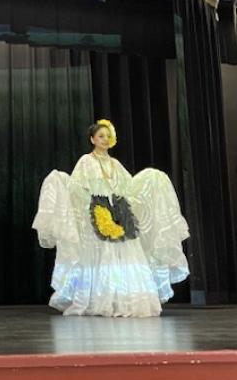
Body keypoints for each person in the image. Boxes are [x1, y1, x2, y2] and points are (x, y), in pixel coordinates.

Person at [32, 119, 189, 317]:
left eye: (107, 136)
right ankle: (99, 298)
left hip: (118, 214)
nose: (105, 140)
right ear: (92, 139)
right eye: (100, 136)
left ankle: (126, 300)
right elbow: (75, 187)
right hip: (97, 214)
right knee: (100, 257)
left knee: (126, 255)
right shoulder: (86, 162)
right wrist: (93, 203)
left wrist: (138, 191)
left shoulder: (115, 164)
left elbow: (128, 186)